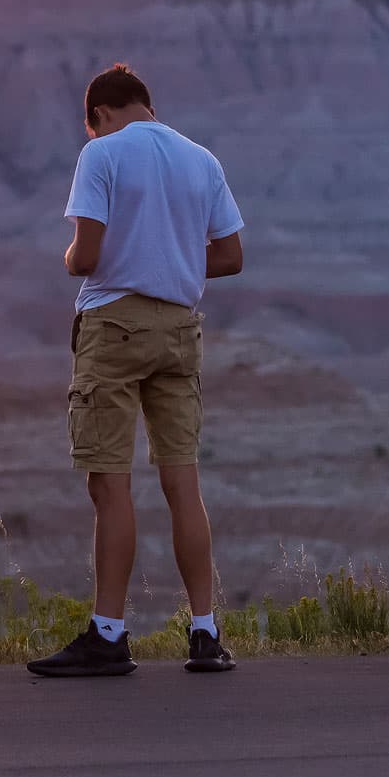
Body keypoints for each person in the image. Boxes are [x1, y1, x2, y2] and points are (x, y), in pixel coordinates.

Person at [29, 65, 246, 678]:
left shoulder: (101, 155)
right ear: (147, 105)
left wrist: (73, 253)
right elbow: (230, 255)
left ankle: (109, 631)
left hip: (115, 326)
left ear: (98, 115)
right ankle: (205, 632)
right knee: (183, 482)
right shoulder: (201, 159)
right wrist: (174, 250)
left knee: (110, 483)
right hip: (180, 330)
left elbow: (87, 257)